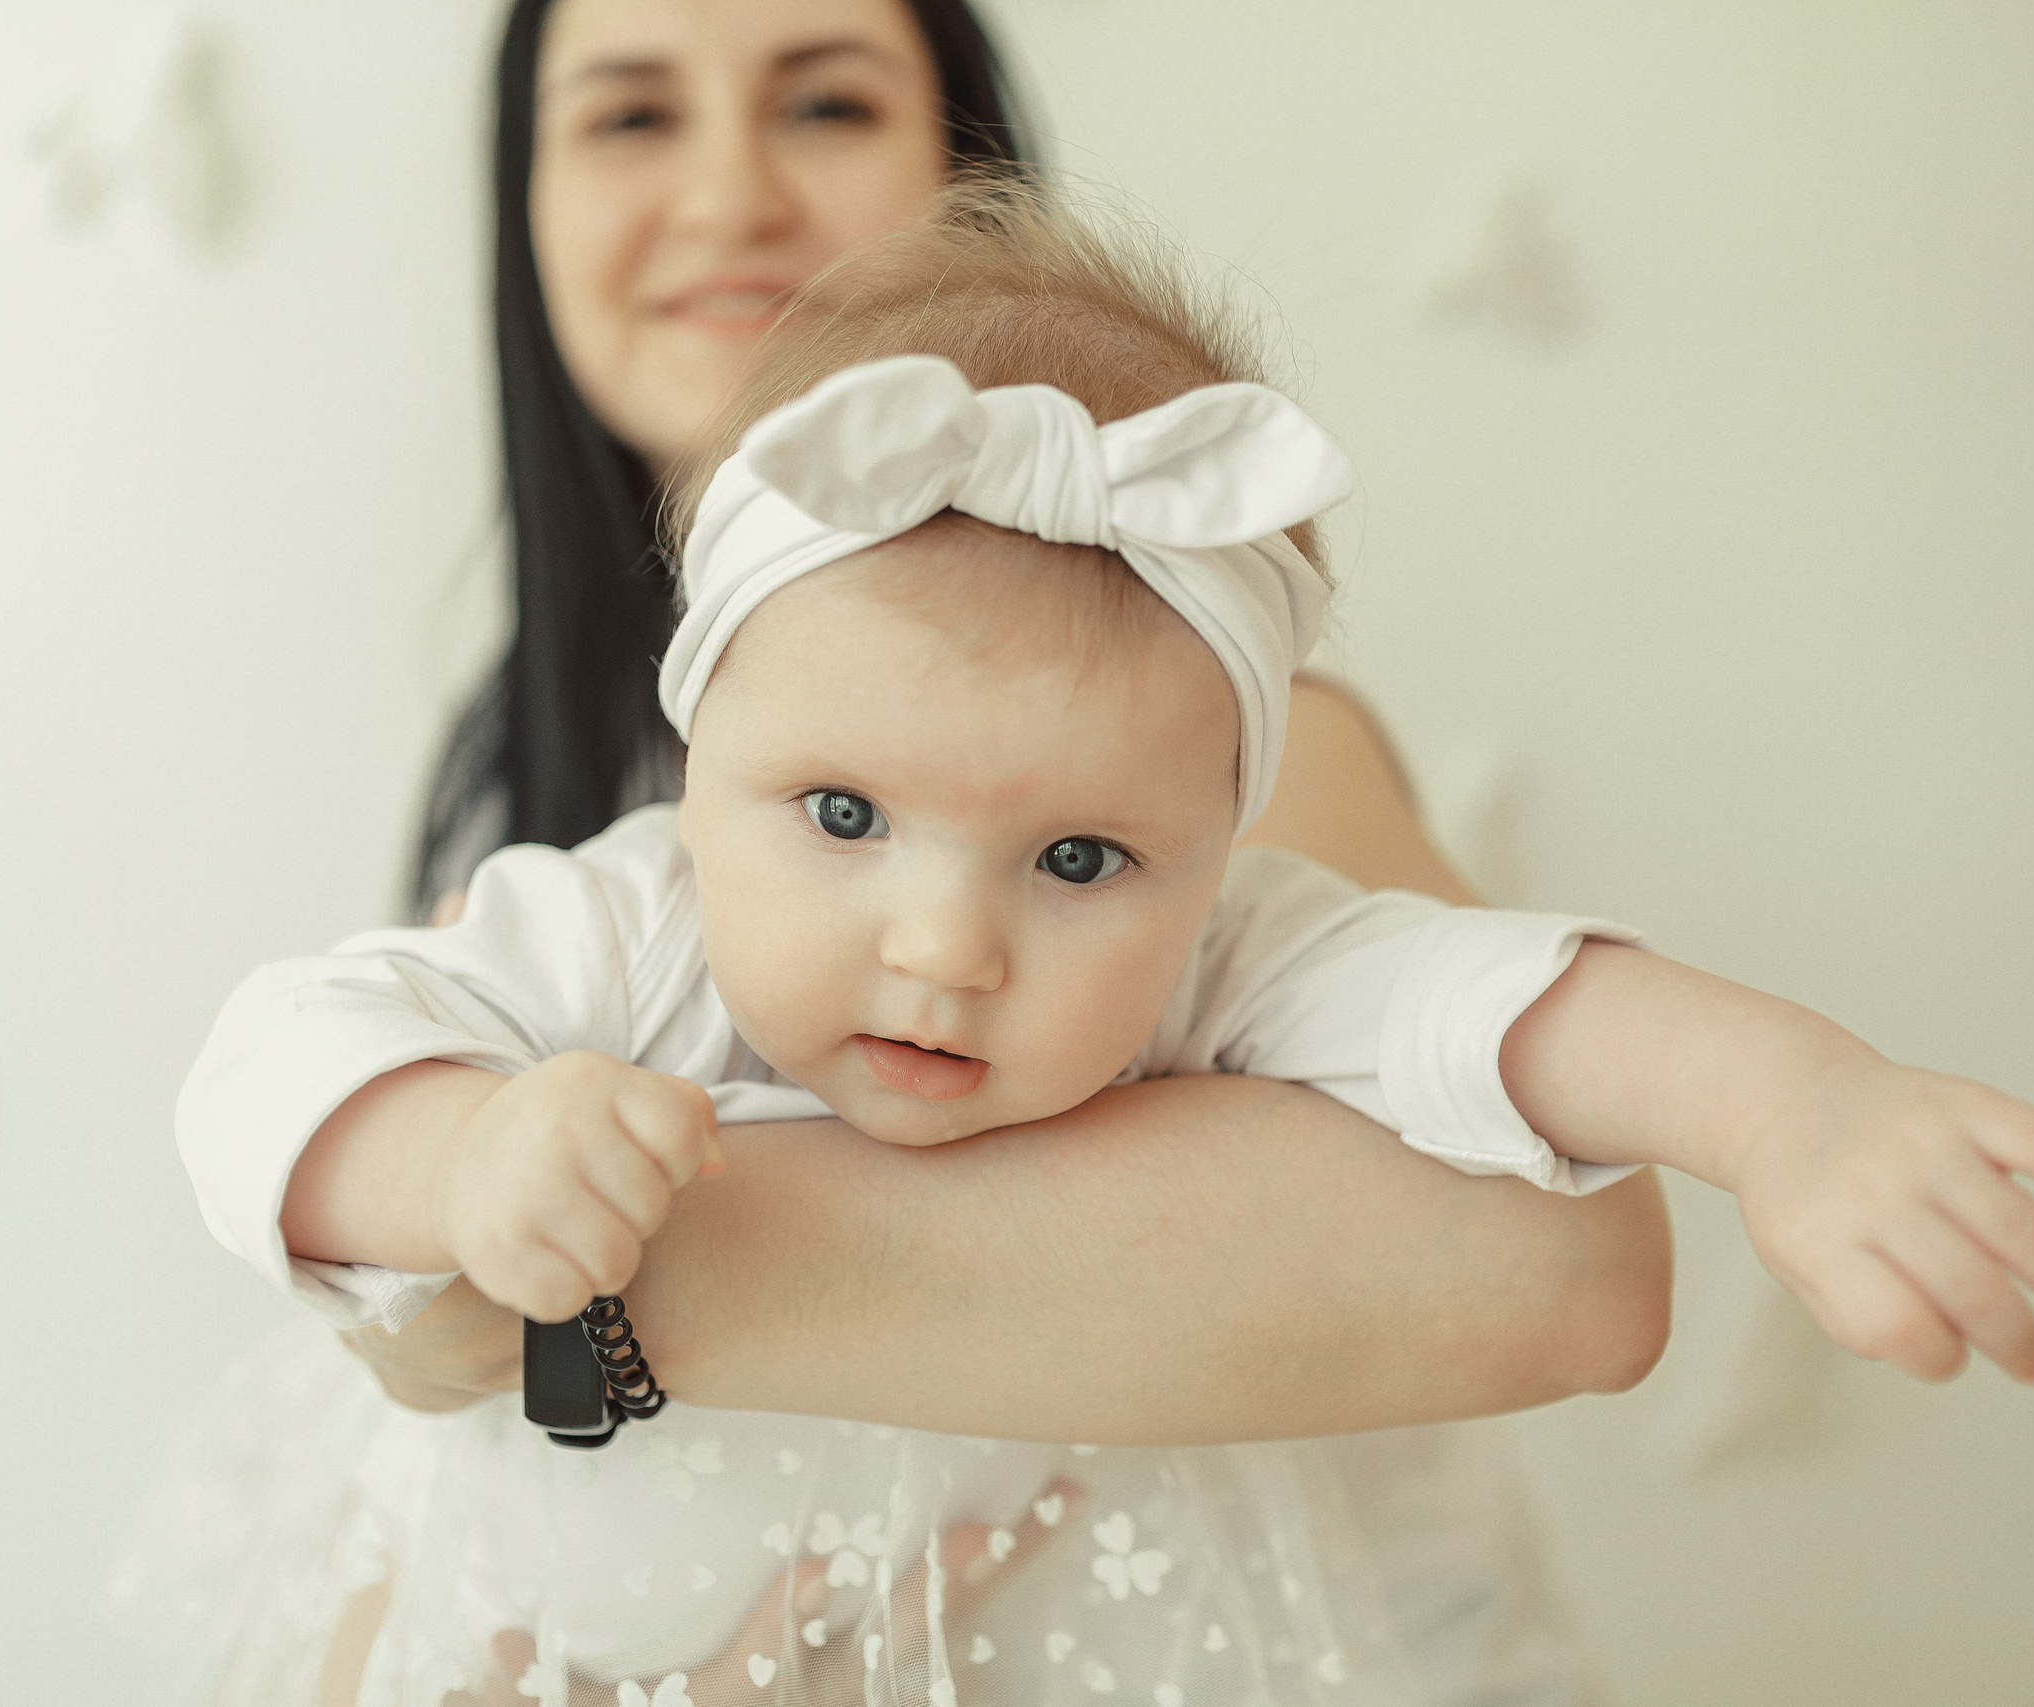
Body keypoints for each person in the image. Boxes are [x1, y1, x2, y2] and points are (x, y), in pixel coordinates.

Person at [173, 196, 2034, 1707]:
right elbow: (277, 1056)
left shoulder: (1229, 960)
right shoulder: (611, 917)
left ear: (1208, 854)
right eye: (841, 816)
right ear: (701, 761)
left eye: (1080, 855)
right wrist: (463, 1147)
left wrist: (1792, 1103)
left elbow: (1500, 1006)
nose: (944, 942)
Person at [119, 1, 1677, 1701]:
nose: (727, 196)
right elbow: (419, 1445)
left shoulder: (1170, 751)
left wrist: (589, 1297)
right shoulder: (549, 807)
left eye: (825, 101)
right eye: (632, 117)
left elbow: (1557, 1269)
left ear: (965, 172)